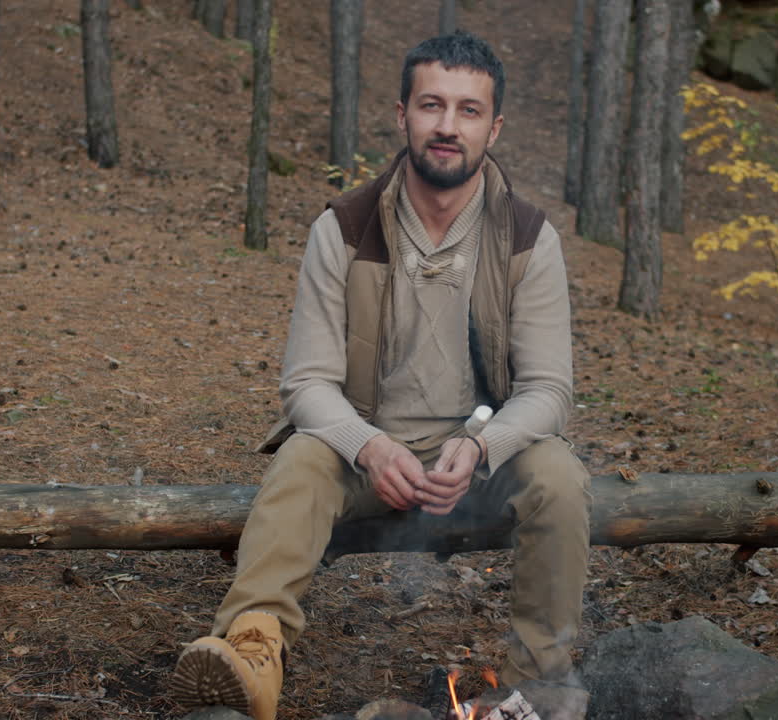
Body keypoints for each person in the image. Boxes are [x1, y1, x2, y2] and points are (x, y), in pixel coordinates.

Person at [170, 30, 591, 720]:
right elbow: (306, 384)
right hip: (367, 455)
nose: (448, 126)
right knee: (301, 461)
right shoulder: (343, 228)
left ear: (494, 128)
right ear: (402, 115)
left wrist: (481, 446)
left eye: (468, 110)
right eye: (431, 105)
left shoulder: (527, 237)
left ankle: (537, 685)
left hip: (478, 462)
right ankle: (252, 653)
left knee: (560, 477)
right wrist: (368, 446)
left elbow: (549, 389)